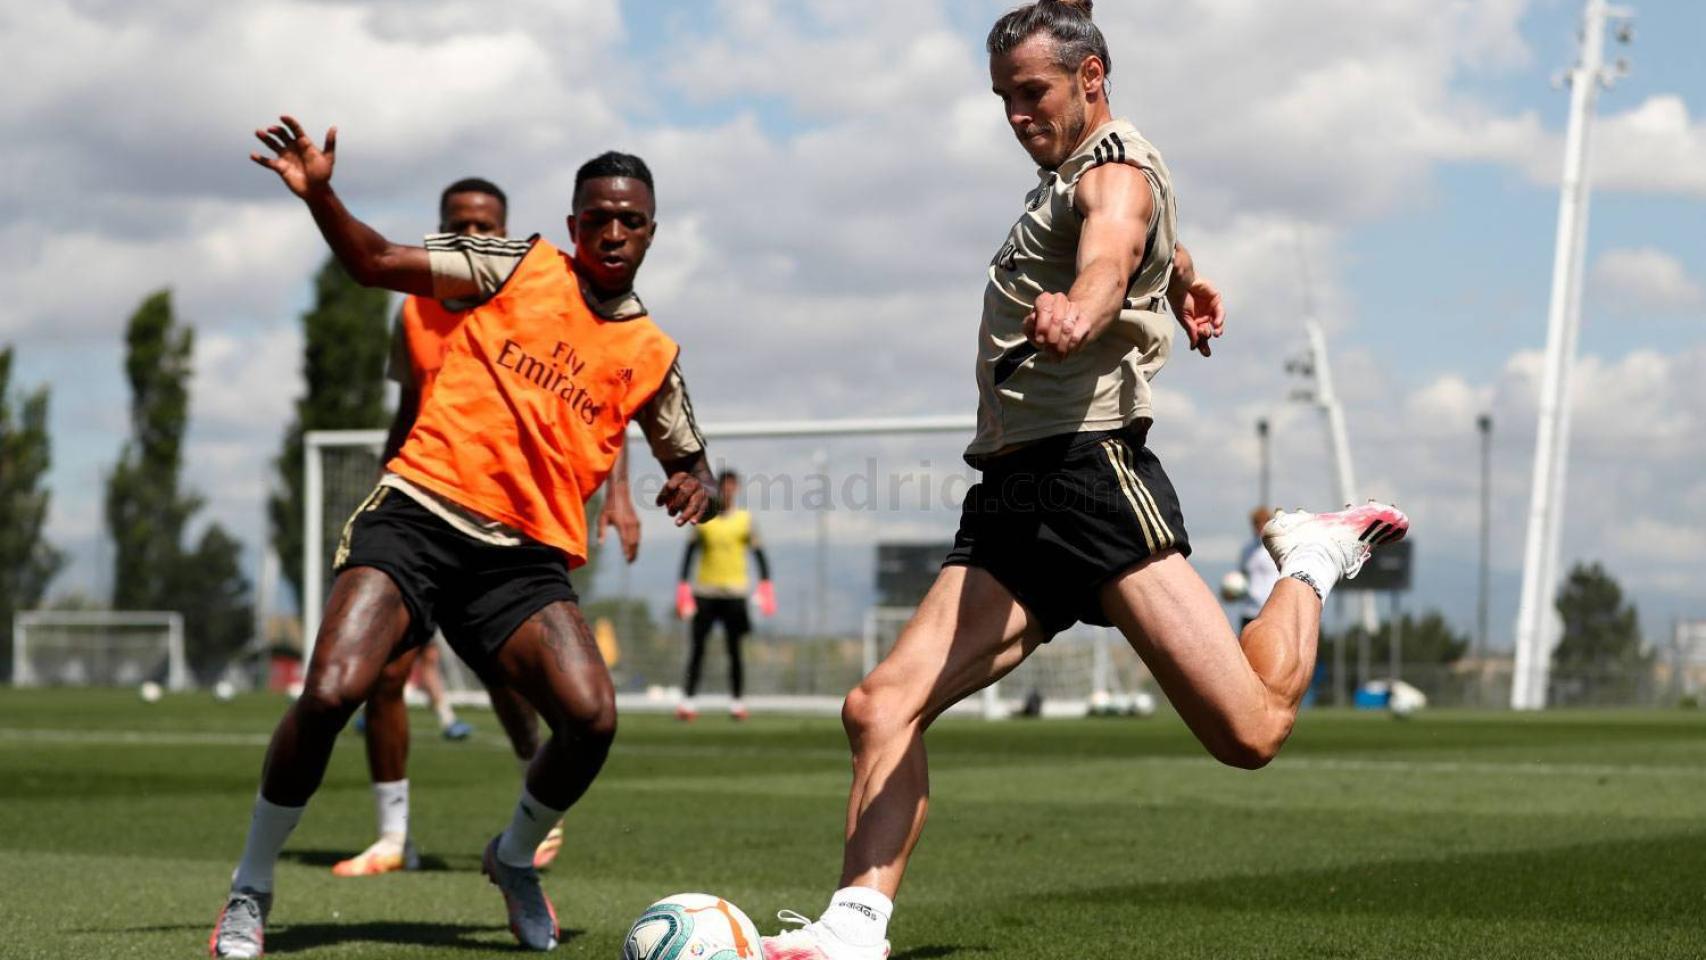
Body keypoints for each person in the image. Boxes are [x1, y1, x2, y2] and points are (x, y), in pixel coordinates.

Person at [760, 4, 1409, 958]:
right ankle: (852, 932)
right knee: (878, 706)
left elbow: (1111, 245)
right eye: (1004, 99)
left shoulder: (1108, 171)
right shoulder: (1069, 175)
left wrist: (1090, 304)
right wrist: (1182, 276)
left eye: (1033, 93)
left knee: (1251, 732)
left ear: (1092, 78)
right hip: (1013, 494)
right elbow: (1141, 238)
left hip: (1090, 480)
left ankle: (1308, 562)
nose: (1017, 114)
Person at [213, 115, 715, 958]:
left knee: (591, 720)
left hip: (520, 564)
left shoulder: (653, 352)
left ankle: (512, 858)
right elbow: (373, 262)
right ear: (572, 225)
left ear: (652, 231)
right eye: (598, 217)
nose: (614, 231)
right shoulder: (514, 264)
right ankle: (250, 889)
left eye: (631, 219)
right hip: (418, 515)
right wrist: (321, 193)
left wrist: (692, 481)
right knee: (332, 690)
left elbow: (690, 450)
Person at [330, 177, 645, 880]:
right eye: (458, 224)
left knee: (512, 676)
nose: (471, 236)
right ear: (441, 228)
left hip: (509, 527)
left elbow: (602, 400)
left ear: (506, 232)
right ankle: (393, 836)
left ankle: (538, 804)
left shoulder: (525, 297)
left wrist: (619, 498)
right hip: (420, 512)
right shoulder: (415, 311)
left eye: (484, 225)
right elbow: (411, 404)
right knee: (384, 676)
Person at [674, 469, 775, 721]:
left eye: (732, 486)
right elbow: (689, 553)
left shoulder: (745, 520)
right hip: (705, 592)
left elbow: (759, 554)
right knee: (698, 648)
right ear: (718, 488)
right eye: (724, 486)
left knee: (735, 649)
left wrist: (765, 585)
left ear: (737, 489)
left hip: (735, 594)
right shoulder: (704, 518)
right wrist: (683, 587)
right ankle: (688, 702)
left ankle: (737, 703)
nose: (728, 490)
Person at [1237, 506, 1282, 630]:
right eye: (1256, 523)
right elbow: (1243, 577)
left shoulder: (1277, 549)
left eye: (1263, 522)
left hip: (1271, 610)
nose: (1259, 527)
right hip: (1249, 610)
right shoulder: (1246, 550)